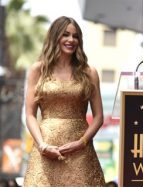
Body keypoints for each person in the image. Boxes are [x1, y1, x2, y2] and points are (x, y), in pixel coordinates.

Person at [23, 16, 105, 186]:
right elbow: (30, 115)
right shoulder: (38, 70)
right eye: (65, 35)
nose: (71, 40)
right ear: (55, 37)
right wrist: (42, 145)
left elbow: (98, 117)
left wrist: (81, 142)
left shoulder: (89, 72)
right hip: (45, 149)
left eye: (75, 36)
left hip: (80, 150)